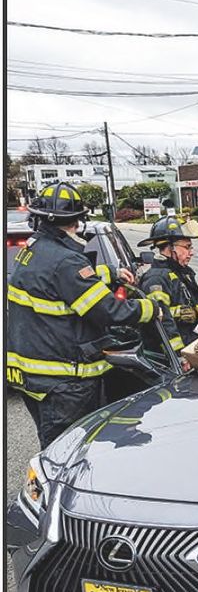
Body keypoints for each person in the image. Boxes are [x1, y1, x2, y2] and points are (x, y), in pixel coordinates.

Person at [6, 183, 157, 448]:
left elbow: (58, 284)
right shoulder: (67, 261)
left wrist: (108, 273)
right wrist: (151, 309)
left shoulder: (30, 251)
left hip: (33, 376)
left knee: (54, 444)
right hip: (65, 382)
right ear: (77, 221)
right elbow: (110, 311)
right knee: (66, 452)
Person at [139, 215, 198, 351]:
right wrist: (179, 356)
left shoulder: (183, 272)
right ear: (170, 248)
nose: (192, 252)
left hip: (194, 345)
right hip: (174, 357)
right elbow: (161, 321)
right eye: (187, 247)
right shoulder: (156, 278)